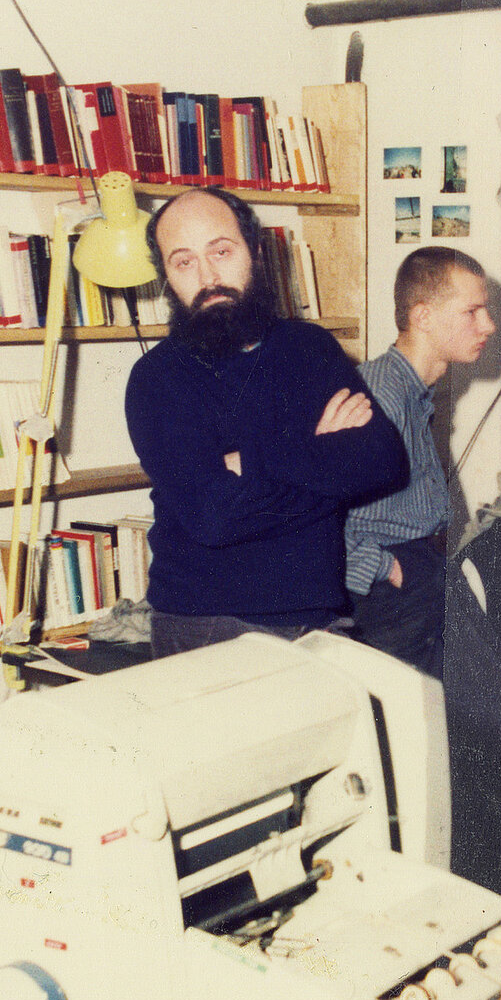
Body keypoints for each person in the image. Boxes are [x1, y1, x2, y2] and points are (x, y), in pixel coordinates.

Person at [125, 187, 407, 658]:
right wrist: (321, 453)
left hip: (321, 617)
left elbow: (381, 462)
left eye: (221, 251)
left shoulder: (309, 348)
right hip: (209, 625)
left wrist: (250, 462)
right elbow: (214, 519)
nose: (209, 276)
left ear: (255, 252)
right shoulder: (157, 379)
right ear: (168, 279)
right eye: (184, 262)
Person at [344, 246, 495, 677]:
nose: (489, 324)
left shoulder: (413, 390)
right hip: (386, 594)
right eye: (473, 311)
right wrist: (387, 568)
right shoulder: (380, 399)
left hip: (420, 571)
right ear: (423, 316)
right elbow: (312, 515)